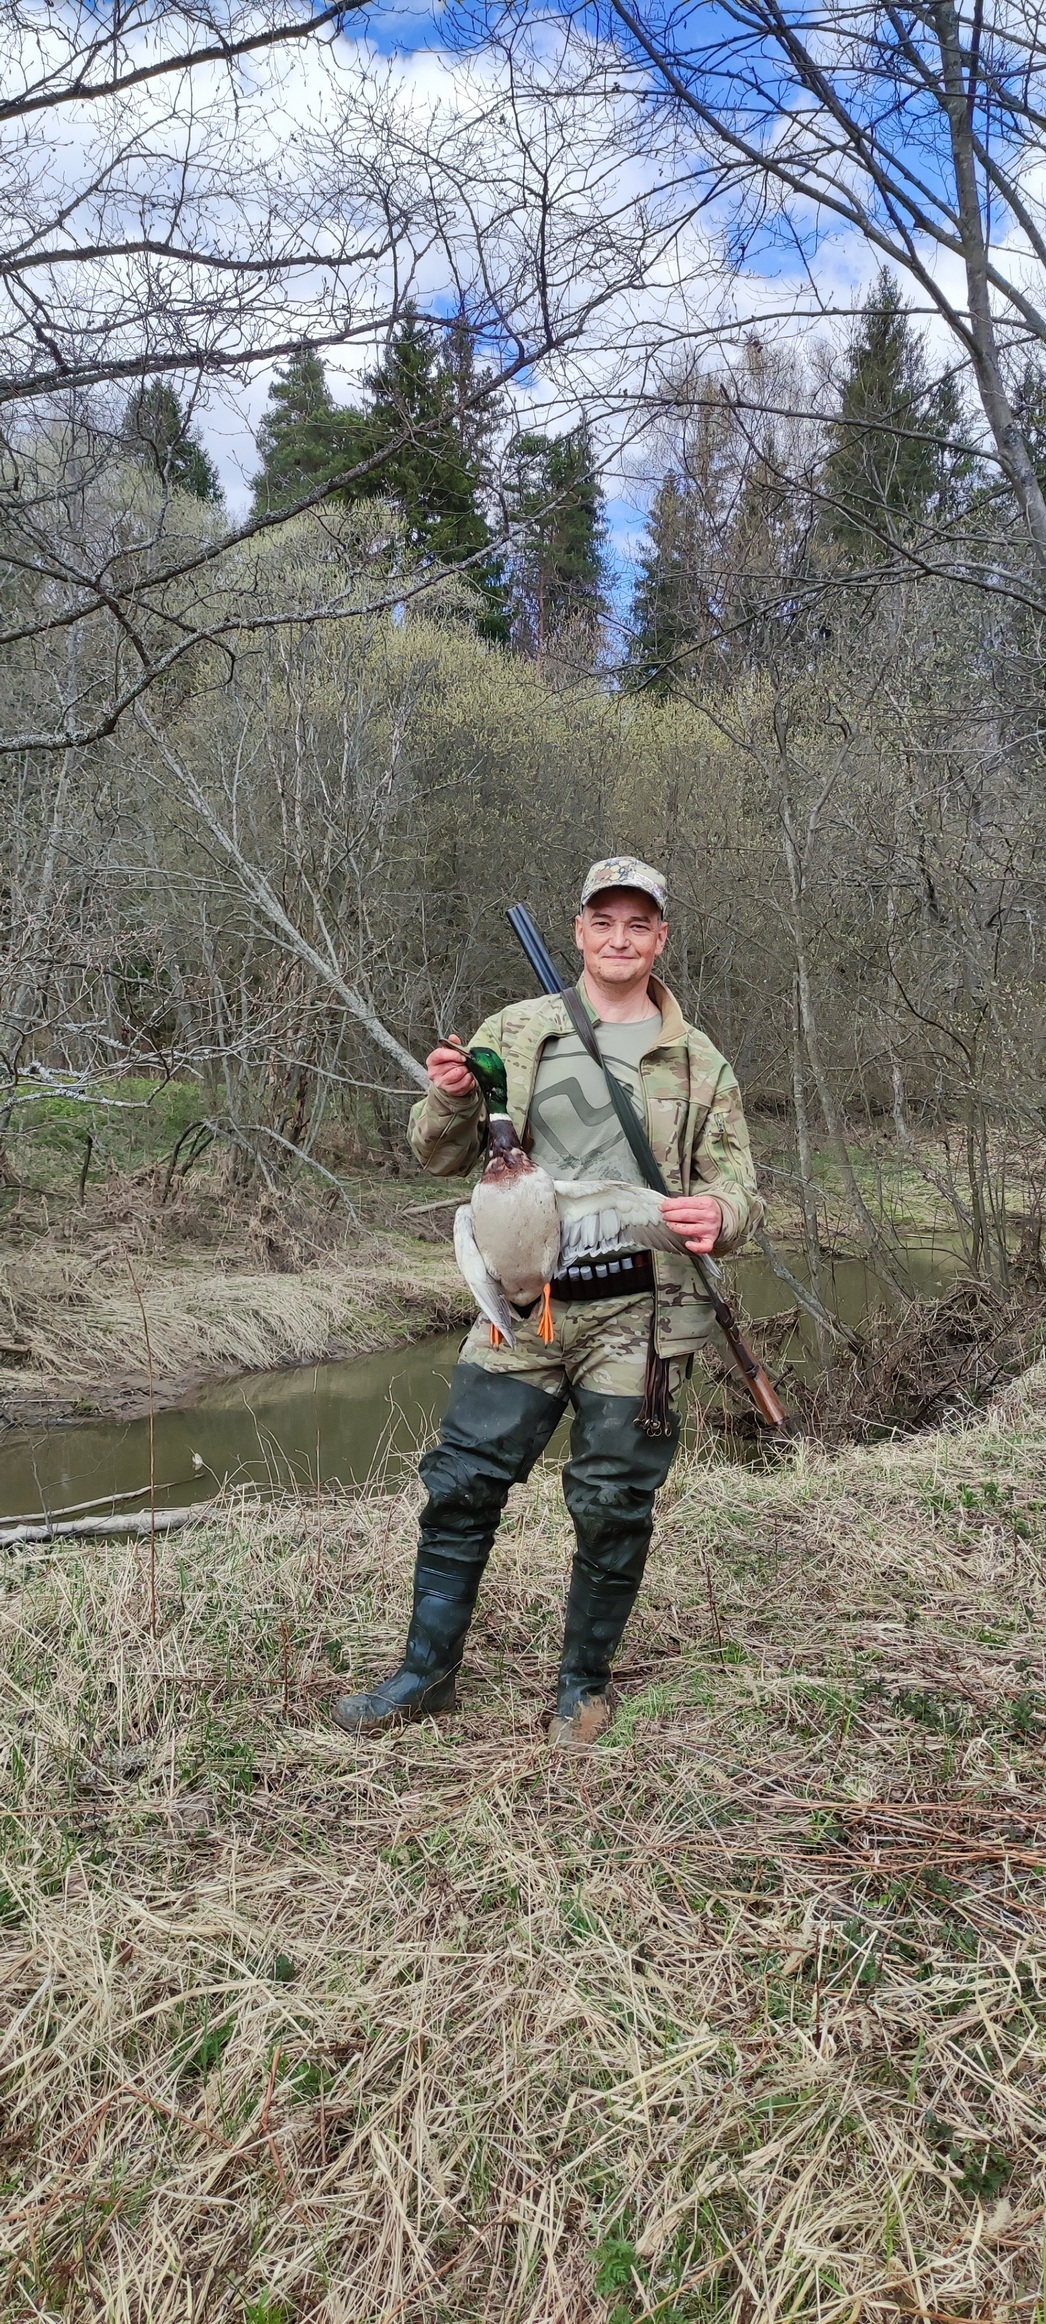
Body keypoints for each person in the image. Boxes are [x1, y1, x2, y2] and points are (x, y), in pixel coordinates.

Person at [333, 856, 762, 1745]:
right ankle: (425, 1676)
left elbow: (740, 1190)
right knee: (461, 1483)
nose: (619, 937)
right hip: (522, 1307)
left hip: (638, 1319)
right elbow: (435, 1153)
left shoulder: (701, 1061)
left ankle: (583, 1686)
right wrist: (451, 1100)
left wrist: (719, 1212)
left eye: (638, 924)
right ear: (578, 931)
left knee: (611, 1500)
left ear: (660, 938)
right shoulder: (518, 1031)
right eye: (604, 921)